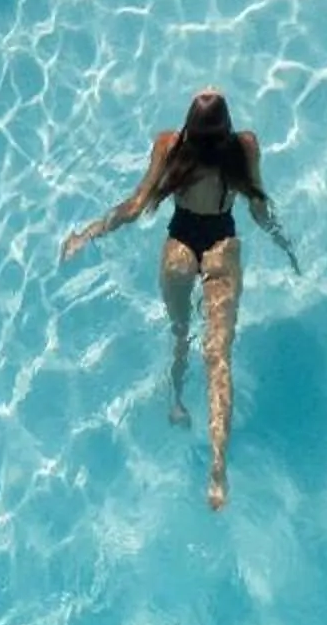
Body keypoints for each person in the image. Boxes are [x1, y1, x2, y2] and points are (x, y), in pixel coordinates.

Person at [61, 89, 299, 512]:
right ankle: (218, 469)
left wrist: (88, 233)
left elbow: (135, 206)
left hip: (180, 245)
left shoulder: (170, 145)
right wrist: (284, 244)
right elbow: (259, 210)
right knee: (219, 355)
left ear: (190, 129)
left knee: (180, 332)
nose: (208, 88)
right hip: (222, 242)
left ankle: (176, 403)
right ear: (224, 130)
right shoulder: (244, 148)